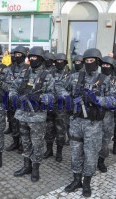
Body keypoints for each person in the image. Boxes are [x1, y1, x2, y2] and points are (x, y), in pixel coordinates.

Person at [63, 48, 116, 197]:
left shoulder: (105, 79)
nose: (89, 63)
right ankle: (76, 180)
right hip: (76, 122)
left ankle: (86, 182)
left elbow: (115, 99)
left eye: (92, 61)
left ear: (98, 62)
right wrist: (67, 97)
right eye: (86, 61)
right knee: (75, 152)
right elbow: (59, 86)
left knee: (91, 154)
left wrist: (97, 100)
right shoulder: (75, 76)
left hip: (93, 125)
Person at [10, 46, 59, 182]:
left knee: (37, 144)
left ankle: (36, 168)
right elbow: (13, 87)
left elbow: (53, 96)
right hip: (22, 114)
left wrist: (40, 98)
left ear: (41, 59)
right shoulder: (24, 72)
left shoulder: (47, 76)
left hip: (37, 116)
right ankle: (27, 166)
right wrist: (13, 97)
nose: (32, 59)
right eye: (30, 57)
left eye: (35, 57)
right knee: (25, 142)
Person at [43, 53, 70, 162]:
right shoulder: (49, 73)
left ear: (65, 63)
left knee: (60, 131)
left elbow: (72, 91)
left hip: (61, 108)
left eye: (61, 61)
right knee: (48, 130)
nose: (59, 63)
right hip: (50, 106)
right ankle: (49, 150)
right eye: (57, 61)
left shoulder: (70, 75)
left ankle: (59, 152)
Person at [4, 45, 29, 153]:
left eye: (19, 55)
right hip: (11, 99)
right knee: (13, 122)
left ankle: (24, 144)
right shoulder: (9, 68)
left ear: (24, 56)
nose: (17, 56)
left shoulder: (29, 68)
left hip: (23, 100)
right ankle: (15, 142)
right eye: (15, 54)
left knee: (22, 124)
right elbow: (6, 83)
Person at [97, 55, 116, 173]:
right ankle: (92, 160)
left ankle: (101, 161)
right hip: (95, 115)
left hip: (108, 116)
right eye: (103, 64)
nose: (105, 66)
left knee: (105, 141)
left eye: (107, 65)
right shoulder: (97, 78)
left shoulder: (115, 80)